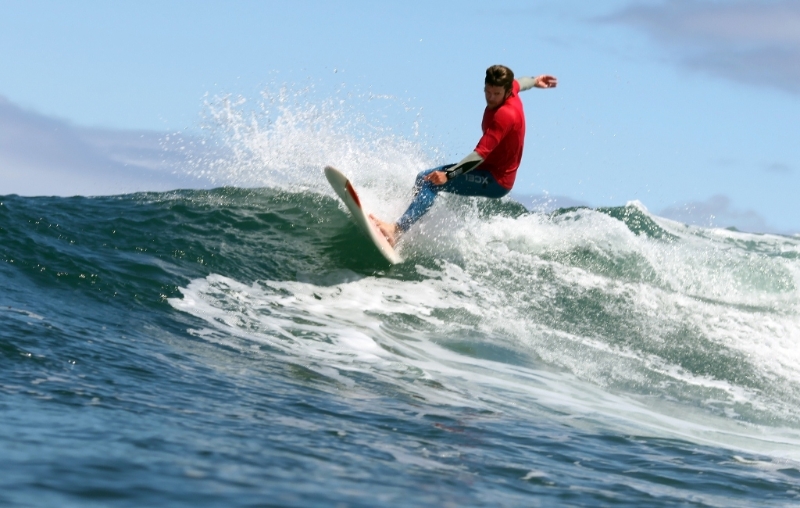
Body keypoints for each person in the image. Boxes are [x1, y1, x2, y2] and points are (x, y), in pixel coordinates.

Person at [371, 64, 557, 246]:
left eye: (496, 94)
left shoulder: (505, 115)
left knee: (431, 183)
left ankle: (397, 231)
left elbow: (479, 155)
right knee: (423, 178)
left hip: (495, 179)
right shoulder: (511, 88)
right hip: (486, 168)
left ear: (508, 92)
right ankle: (406, 225)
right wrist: (535, 80)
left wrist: (448, 175)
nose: (491, 98)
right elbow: (521, 82)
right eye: (487, 92)